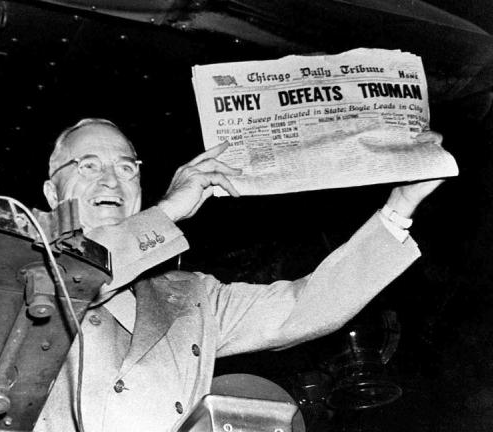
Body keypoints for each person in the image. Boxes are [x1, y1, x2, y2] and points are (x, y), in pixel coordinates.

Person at [34, 118, 443, 432]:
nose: (110, 179)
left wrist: (399, 206)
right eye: (88, 165)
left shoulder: (188, 294)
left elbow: (300, 308)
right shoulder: (17, 254)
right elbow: (79, 275)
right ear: (53, 194)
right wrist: (169, 211)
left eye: (127, 168)